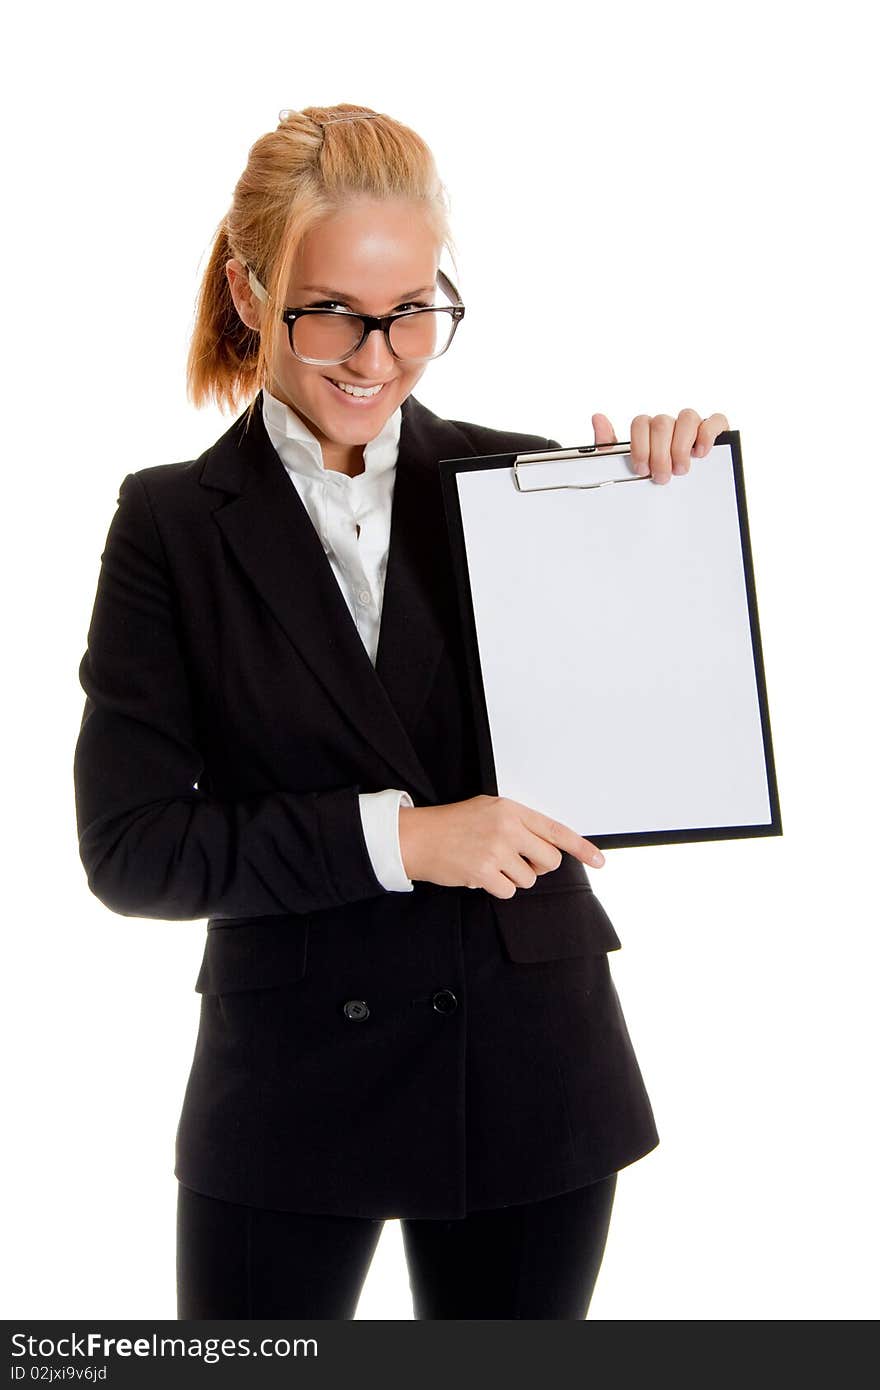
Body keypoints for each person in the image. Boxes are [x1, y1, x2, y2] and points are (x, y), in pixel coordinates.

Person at [74, 102, 730, 1320]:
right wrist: (403, 837)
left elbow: (655, 741)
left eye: (414, 311)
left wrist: (667, 512)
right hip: (286, 1079)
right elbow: (134, 851)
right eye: (331, 312)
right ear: (249, 289)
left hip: (528, 1061)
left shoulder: (527, 486)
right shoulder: (169, 526)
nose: (376, 357)